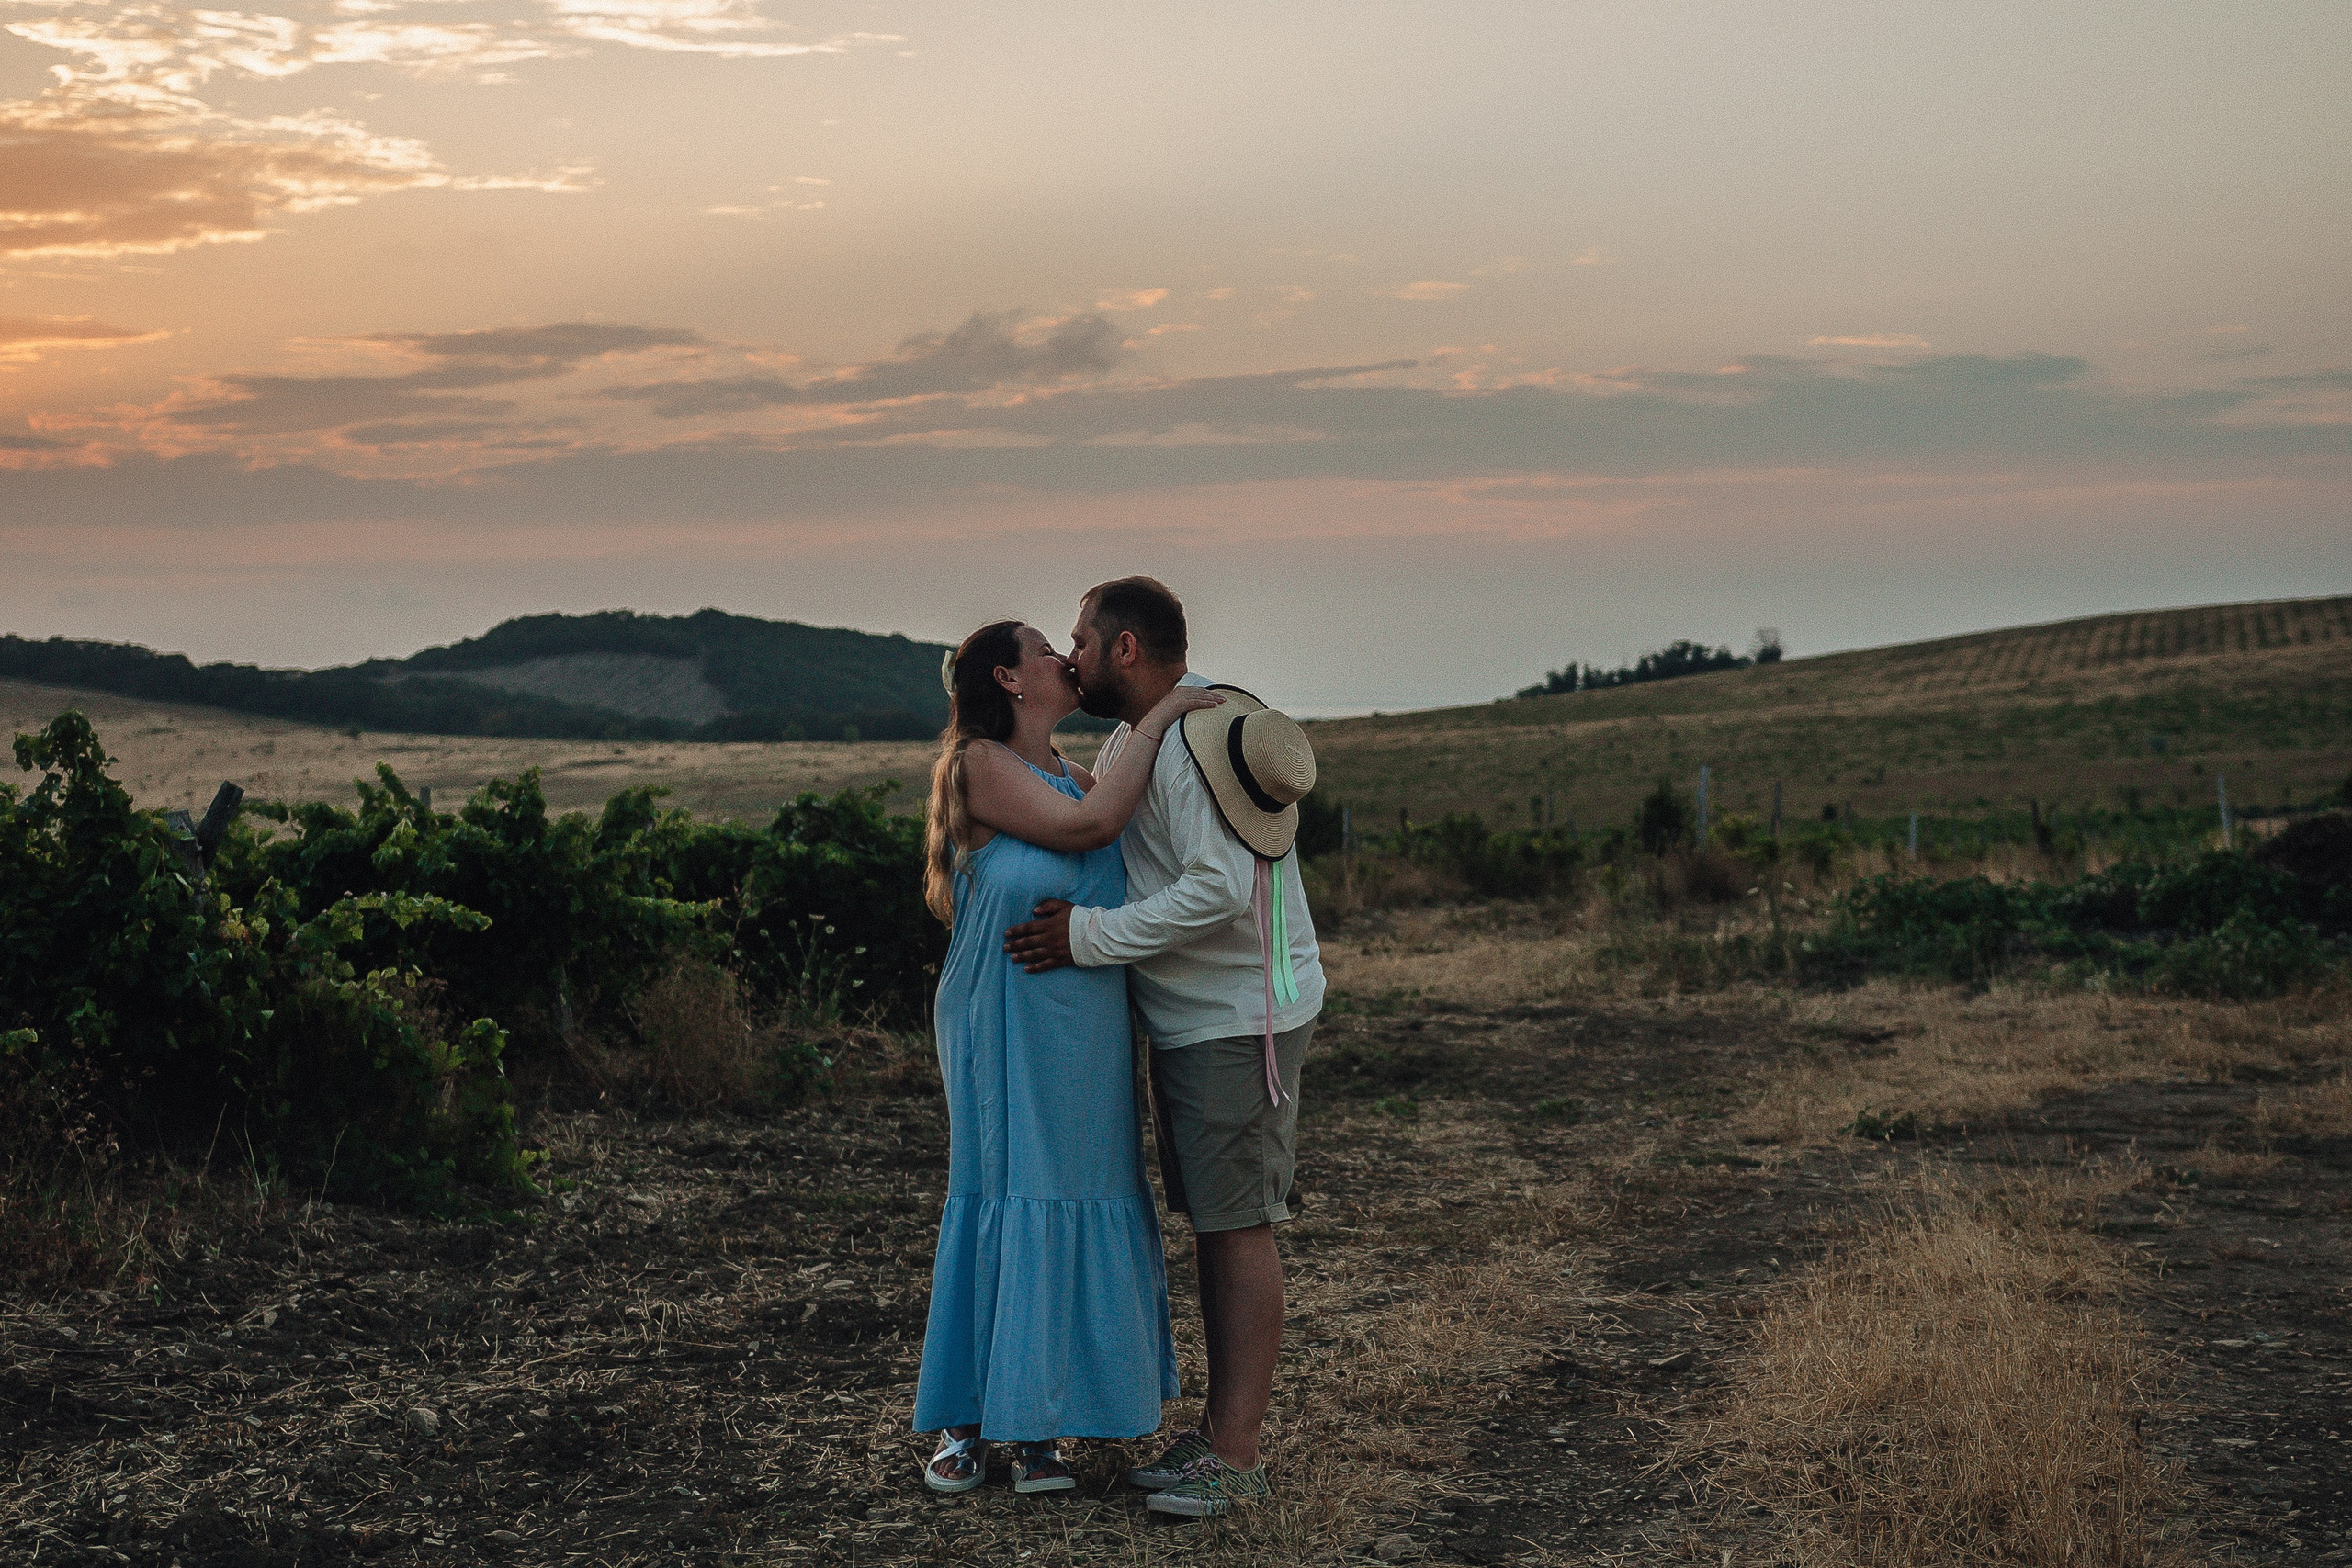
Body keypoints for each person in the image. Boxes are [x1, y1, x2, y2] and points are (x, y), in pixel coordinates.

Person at [1002, 577, 1325, 1520]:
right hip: (1202, 1017)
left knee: (1236, 1227)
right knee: (1217, 1226)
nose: (1070, 658)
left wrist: (1084, 941)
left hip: (1236, 1017)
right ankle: (1219, 1438)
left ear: (1127, 648)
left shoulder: (1187, 745)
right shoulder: (1143, 738)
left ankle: (1236, 1455)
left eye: (1081, 643)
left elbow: (1219, 891)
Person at [910, 619, 1225, 1495]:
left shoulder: (1069, 768)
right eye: (1048, 648)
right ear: (1011, 678)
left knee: (1079, 1189)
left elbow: (1118, 822)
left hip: (1083, 1026)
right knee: (1006, 1190)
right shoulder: (978, 763)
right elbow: (1091, 827)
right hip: (1002, 1016)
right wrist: (1159, 718)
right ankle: (967, 1422)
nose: (1065, 659)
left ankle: (1039, 1425)